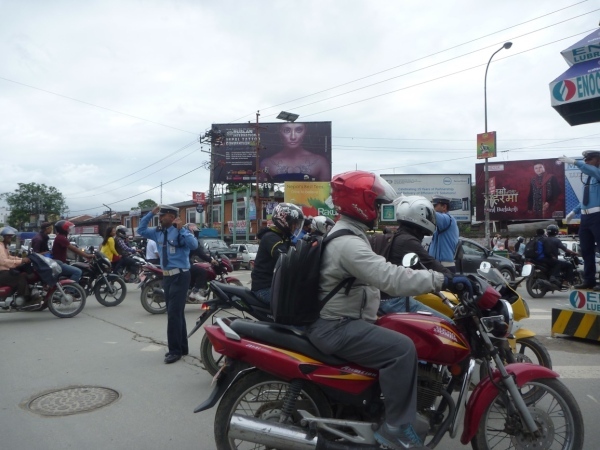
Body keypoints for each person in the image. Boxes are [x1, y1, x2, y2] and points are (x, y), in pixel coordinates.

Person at [306, 171, 470, 450]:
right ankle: (396, 428)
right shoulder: (348, 242)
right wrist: (442, 280)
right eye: (376, 202)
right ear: (361, 204)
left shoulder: (351, 234)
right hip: (337, 326)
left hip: (343, 320)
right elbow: (389, 277)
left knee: (398, 330)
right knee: (403, 349)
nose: (380, 209)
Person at [138, 205, 198, 364]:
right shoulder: (158, 232)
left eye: (162, 216)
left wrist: (181, 229)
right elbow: (141, 230)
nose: (159, 218)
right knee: (177, 313)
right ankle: (182, 347)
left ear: (171, 217)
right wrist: (151, 213)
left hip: (180, 276)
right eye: (159, 215)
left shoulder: (181, 231)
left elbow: (194, 245)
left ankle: (174, 351)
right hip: (167, 277)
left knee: (173, 313)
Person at [378, 195, 453, 322]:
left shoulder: (398, 237)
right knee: (447, 324)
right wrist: (454, 280)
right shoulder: (408, 241)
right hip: (393, 301)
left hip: (385, 298)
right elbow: (433, 266)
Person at [560, 151, 600, 290]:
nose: (586, 161)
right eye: (585, 159)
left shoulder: (597, 174)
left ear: (598, 160)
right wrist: (573, 212)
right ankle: (589, 280)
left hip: (598, 216)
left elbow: (592, 170)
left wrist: (575, 162)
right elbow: (583, 200)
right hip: (585, 217)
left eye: (590, 159)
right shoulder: (588, 179)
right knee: (586, 249)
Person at [250, 203, 304, 305]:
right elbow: (285, 259)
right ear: (284, 221)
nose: (296, 226)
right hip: (264, 288)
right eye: (294, 223)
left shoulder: (283, 237)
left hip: (275, 285)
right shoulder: (271, 238)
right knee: (296, 303)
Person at [259, 122, 330, 182]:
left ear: (305, 131)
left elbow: (326, 191)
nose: (293, 137)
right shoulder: (267, 163)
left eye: (298, 130)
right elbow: (260, 190)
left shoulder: (320, 162)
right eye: (287, 130)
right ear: (279, 131)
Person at [0, 227, 37, 306]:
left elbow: (9, 257)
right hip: (2, 273)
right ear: (3, 237)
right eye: (8, 236)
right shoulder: (0, 247)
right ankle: (24, 298)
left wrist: (21, 259)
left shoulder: (4, 246)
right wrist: (21, 261)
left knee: (23, 274)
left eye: (11, 236)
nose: (10, 238)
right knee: (21, 277)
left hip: (5, 271)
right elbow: (4, 261)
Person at [185, 223, 218, 302]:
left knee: (195, 269)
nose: (197, 234)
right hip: (184, 264)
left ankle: (190, 288)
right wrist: (211, 260)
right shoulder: (191, 241)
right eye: (196, 232)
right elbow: (200, 253)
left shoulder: (184, 238)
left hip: (183, 262)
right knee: (202, 272)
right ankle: (195, 292)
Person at [428, 195, 459, 273]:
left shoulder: (448, 219)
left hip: (444, 266)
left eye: (435, 206)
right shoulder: (440, 223)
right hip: (437, 265)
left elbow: (431, 214)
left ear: (444, 207)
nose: (433, 208)